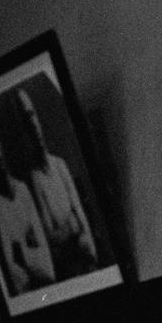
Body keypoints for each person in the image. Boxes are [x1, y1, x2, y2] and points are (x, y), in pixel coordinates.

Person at [16, 88, 98, 279]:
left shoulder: (60, 164)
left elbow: (79, 212)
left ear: (37, 118)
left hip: (83, 251)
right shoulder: (34, 178)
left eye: (32, 115)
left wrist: (81, 235)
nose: (32, 124)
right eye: (26, 120)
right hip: (68, 261)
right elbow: (50, 236)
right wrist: (71, 225)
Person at [0, 107, 56, 294]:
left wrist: (21, 254)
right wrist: (28, 252)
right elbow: (13, 275)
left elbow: (46, 264)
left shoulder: (23, 190)